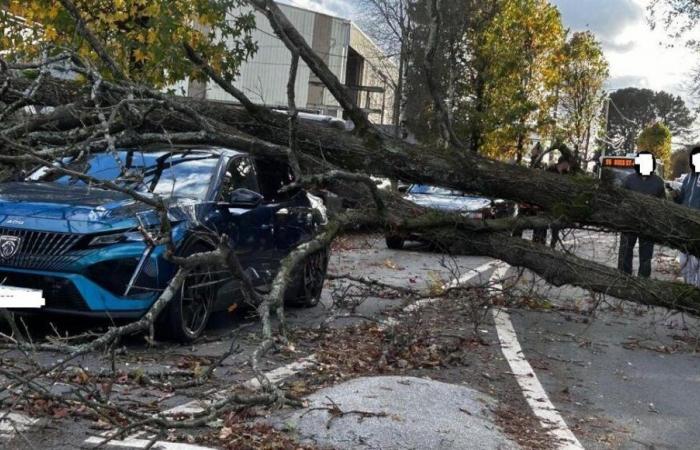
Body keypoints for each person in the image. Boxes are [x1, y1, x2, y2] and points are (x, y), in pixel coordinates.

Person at [617, 151, 665, 278]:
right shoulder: (629, 180)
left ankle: (643, 280)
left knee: (646, 255)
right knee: (625, 251)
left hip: (648, 225)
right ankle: (623, 277)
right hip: (629, 222)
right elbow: (621, 200)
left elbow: (663, 205)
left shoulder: (658, 182)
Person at [672, 146, 700, 286]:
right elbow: (682, 198)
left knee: (696, 263)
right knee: (684, 261)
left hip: (698, 226)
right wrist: (676, 197)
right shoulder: (688, 178)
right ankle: (689, 288)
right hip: (685, 227)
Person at [532, 154, 572, 246]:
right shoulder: (550, 171)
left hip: (557, 206)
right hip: (544, 204)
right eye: (568, 163)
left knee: (556, 228)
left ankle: (552, 246)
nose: (568, 166)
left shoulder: (566, 174)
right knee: (541, 226)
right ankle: (538, 244)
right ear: (564, 163)